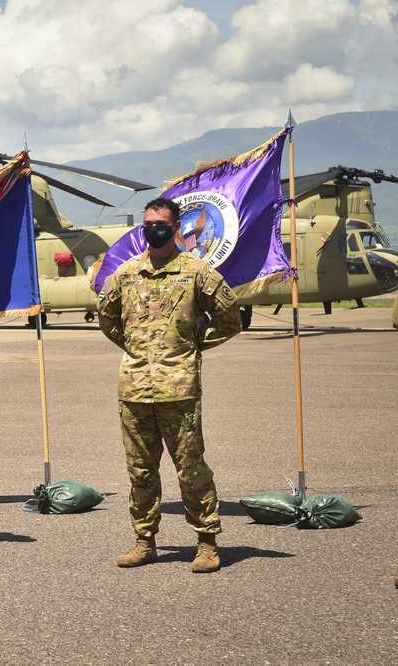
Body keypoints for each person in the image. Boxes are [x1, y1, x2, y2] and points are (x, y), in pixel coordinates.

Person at [97, 198, 241, 573]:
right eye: (148, 223)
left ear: (177, 228)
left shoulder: (196, 272)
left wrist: (192, 347)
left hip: (179, 390)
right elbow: (108, 319)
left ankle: (207, 543)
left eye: (161, 223)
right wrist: (136, 352)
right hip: (134, 391)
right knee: (140, 471)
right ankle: (145, 541)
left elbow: (230, 319)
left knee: (190, 468)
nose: (154, 228)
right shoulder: (126, 273)